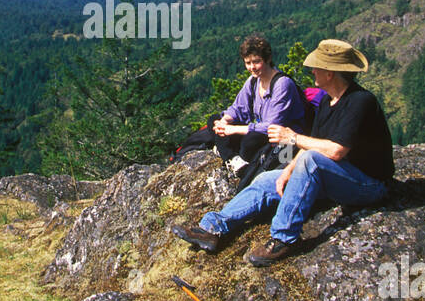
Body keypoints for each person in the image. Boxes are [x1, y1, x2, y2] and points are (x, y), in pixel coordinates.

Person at [169, 39, 394, 267]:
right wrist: (287, 172)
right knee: (266, 179)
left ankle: (283, 238)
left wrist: (292, 138)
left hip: (370, 184)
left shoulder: (360, 101)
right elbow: (311, 146)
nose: (312, 71)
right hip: (335, 175)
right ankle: (212, 227)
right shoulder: (328, 102)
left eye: (317, 67)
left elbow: (335, 151)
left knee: (309, 160)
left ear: (330, 73)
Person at [212, 34, 306, 176]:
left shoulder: (282, 84)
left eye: (256, 62)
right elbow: (238, 108)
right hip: (261, 131)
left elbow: (272, 126)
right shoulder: (254, 81)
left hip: (284, 139)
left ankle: (231, 154)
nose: (252, 67)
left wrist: (233, 130)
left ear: (268, 59)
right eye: (248, 63)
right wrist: (224, 121)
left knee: (250, 140)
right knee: (214, 120)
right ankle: (233, 159)